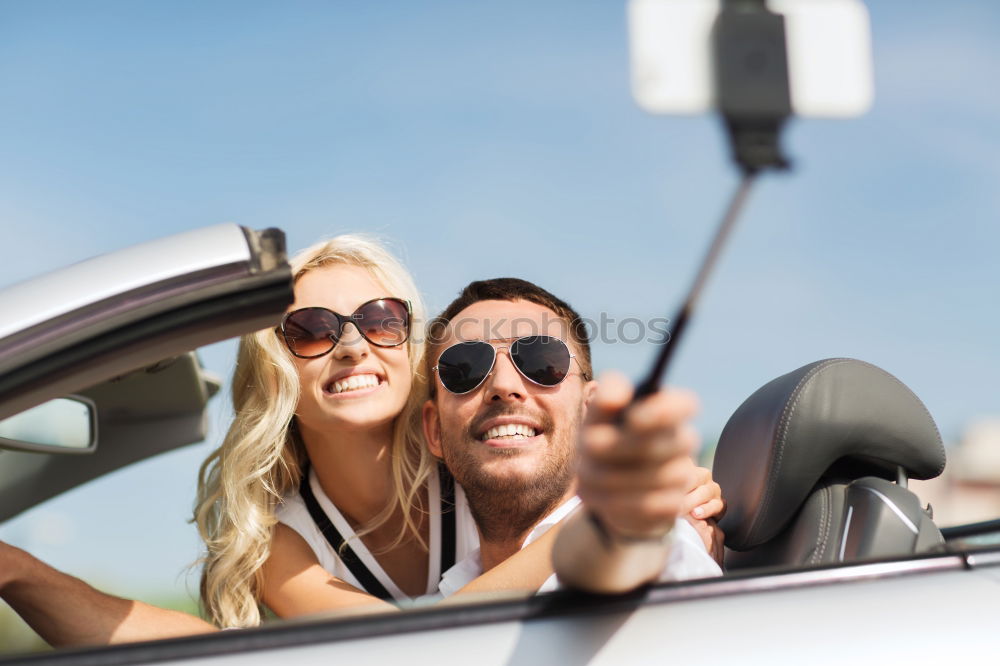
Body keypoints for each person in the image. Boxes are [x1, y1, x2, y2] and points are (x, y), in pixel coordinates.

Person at [0, 240, 723, 646]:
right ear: (275, 367)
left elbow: (616, 543)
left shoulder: (482, 457)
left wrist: (637, 511)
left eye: (379, 319)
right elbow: (403, 651)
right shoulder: (281, 540)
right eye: (312, 330)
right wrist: (19, 572)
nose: (350, 346)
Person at [421, 278, 723, 596]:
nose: (503, 386)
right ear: (435, 430)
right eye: (464, 369)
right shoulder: (440, 597)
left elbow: (623, 560)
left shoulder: (663, 535)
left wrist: (619, 525)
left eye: (542, 360)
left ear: (588, 411)